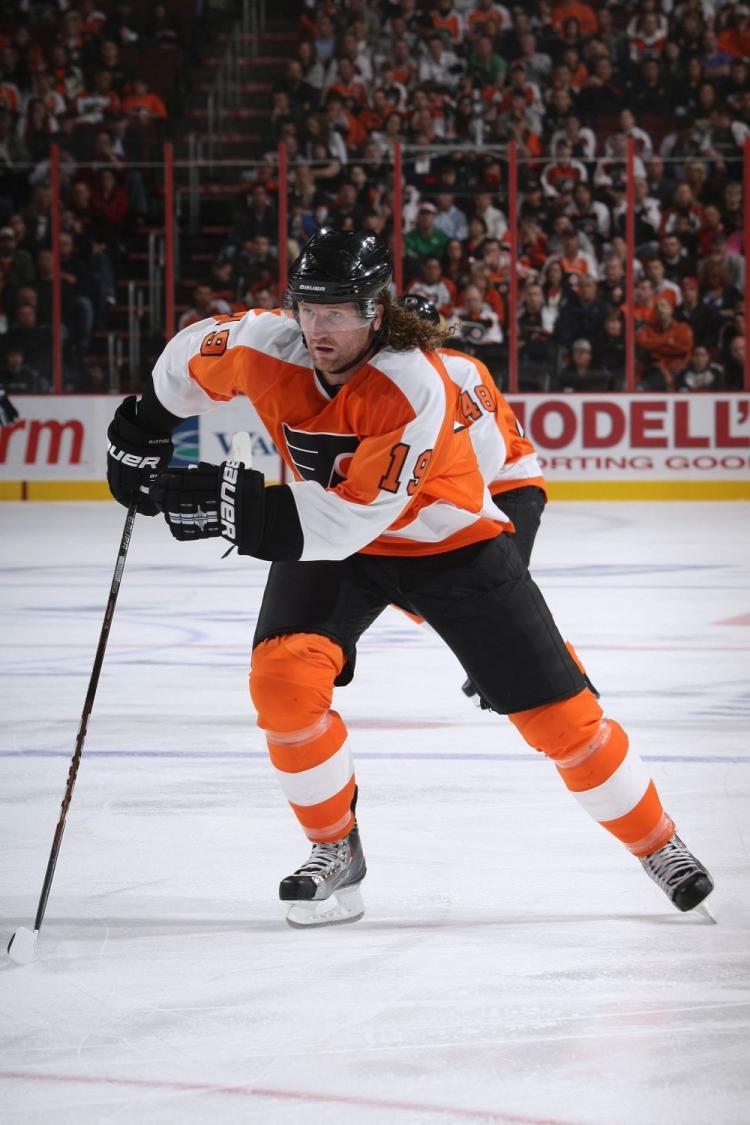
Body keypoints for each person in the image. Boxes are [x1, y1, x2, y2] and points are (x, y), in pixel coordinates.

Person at [105, 228, 714, 928]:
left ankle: (658, 843)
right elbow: (191, 355)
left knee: (560, 718)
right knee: (282, 681)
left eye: (338, 312)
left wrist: (225, 505)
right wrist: (144, 421)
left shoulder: (417, 382)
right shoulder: (266, 344)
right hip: (337, 542)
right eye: (308, 308)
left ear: (377, 312)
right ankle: (334, 844)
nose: (317, 328)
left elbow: (364, 516)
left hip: (443, 543)